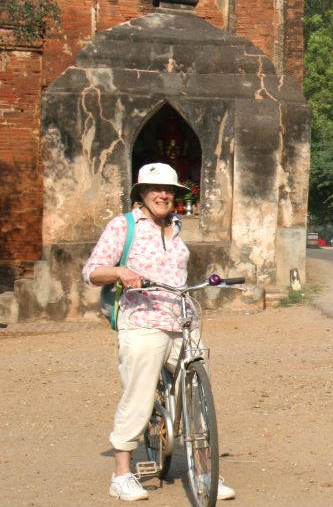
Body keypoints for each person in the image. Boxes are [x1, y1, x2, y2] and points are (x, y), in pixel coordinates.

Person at [82, 163, 236, 502]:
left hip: (182, 320)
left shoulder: (177, 226)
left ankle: (205, 470)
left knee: (198, 398)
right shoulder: (124, 226)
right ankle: (122, 474)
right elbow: (91, 272)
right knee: (137, 396)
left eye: (169, 191)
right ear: (142, 193)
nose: (163, 195)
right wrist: (121, 271)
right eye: (155, 189)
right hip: (143, 320)